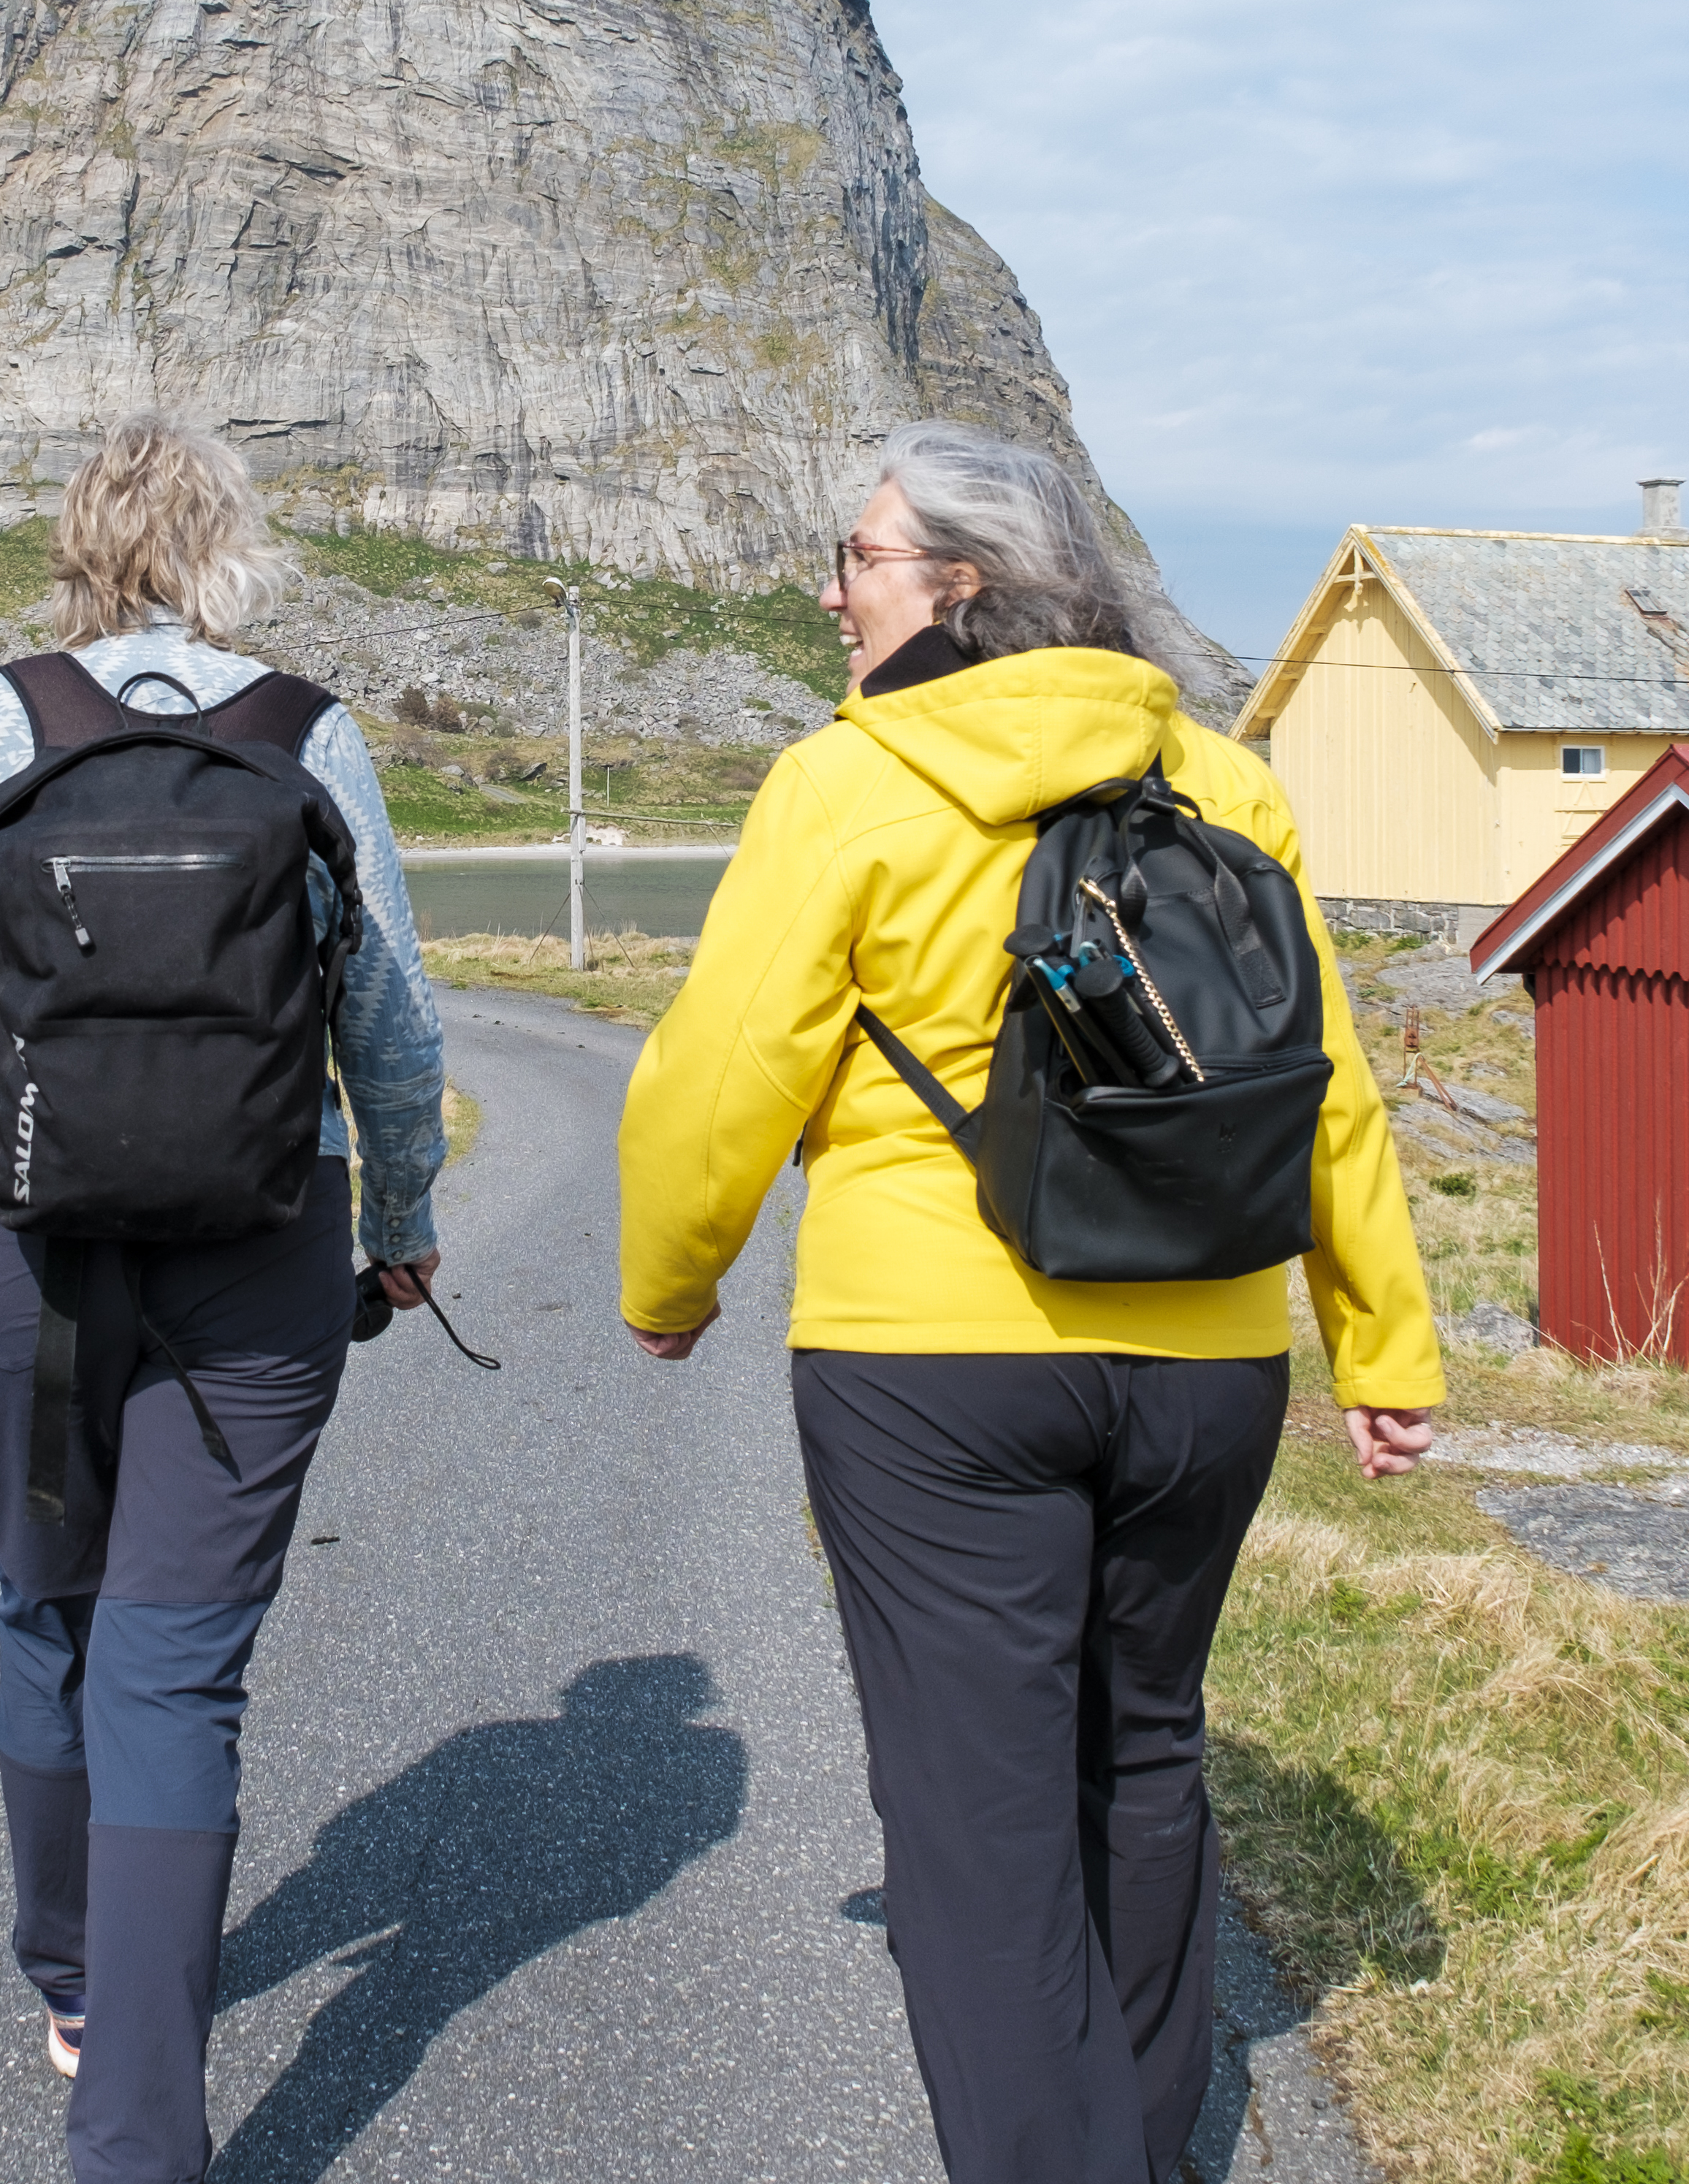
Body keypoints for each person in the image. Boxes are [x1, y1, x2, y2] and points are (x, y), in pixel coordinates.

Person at [616, 420, 1441, 2184]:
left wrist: (672, 1278)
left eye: (856, 556)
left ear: (957, 584)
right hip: (1211, 1356)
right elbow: (1326, 1082)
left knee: (975, 1817)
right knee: (1141, 1748)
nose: (828, 589)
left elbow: (720, 1070)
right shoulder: (1224, 782)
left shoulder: (847, 779)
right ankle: (1134, 2141)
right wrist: (1379, 1340)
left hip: (933, 1371)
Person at [0, 413, 449, 2184]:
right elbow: (391, 1027)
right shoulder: (304, 730)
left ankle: (71, 1977)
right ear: (226, 547)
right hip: (259, 1247)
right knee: (176, 1670)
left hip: (16, 1243)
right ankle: (135, 2132)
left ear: (75, 543)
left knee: (49, 1609)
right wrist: (403, 1218)